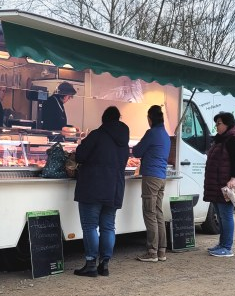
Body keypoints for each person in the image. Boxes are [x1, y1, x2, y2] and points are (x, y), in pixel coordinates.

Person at [72, 106, 130, 277]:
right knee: (108, 226)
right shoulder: (124, 140)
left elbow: (80, 155)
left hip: (93, 187)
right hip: (115, 188)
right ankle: (104, 265)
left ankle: (91, 263)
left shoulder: (97, 135)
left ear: (103, 119)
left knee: (90, 226)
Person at [132, 105, 171, 262]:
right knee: (158, 213)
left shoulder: (152, 133)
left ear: (150, 118)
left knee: (149, 213)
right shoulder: (165, 135)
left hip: (151, 178)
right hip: (161, 177)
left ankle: (152, 252)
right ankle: (161, 251)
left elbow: (136, 151)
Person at [203, 112, 235, 257]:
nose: (216, 126)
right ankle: (222, 244)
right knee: (220, 217)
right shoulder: (220, 140)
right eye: (216, 123)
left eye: (219, 123)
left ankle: (227, 247)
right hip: (216, 185)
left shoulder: (233, 139)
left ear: (227, 124)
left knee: (226, 216)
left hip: (226, 186)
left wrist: (233, 178)